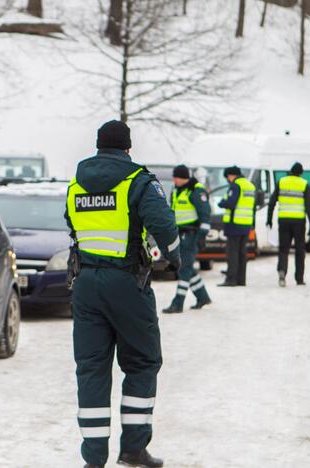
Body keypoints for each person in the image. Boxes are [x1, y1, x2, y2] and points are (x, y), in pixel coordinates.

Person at [65, 120, 180, 468]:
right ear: (127, 148)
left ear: (98, 146)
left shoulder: (75, 184)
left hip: (84, 283)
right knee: (142, 361)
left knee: (91, 368)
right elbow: (163, 225)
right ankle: (133, 448)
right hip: (127, 282)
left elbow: (72, 226)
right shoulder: (138, 181)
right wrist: (175, 258)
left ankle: (94, 457)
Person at [162, 164, 212, 313]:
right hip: (180, 234)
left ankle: (178, 303)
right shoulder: (177, 190)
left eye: (175, 177)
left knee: (184, 268)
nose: (173, 180)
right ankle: (202, 297)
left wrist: (202, 237)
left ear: (183, 178)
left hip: (191, 234)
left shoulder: (196, 190)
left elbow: (205, 214)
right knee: (187, 267)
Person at [266, 162, 310, 287]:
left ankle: (282, 272)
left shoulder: (281, 182)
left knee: (283, 249)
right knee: (299, 250)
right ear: (301, 172)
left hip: (284, 220)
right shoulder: (304, 184)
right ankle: (299, 278)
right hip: (299, 222)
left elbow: (271, 202)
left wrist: (269, 219)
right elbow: (309, 207)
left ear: (290, 171)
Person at [217, 166, 256, 287]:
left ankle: (231, 279)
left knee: (232, 253)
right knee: (242, 253)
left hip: (234, 224)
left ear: (231, 175)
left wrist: (221, 203)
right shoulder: (250, 186)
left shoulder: (235, 185)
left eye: (227, 177)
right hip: (246, 224)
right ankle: (241, 279)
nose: (228, 180)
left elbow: (231, 202)